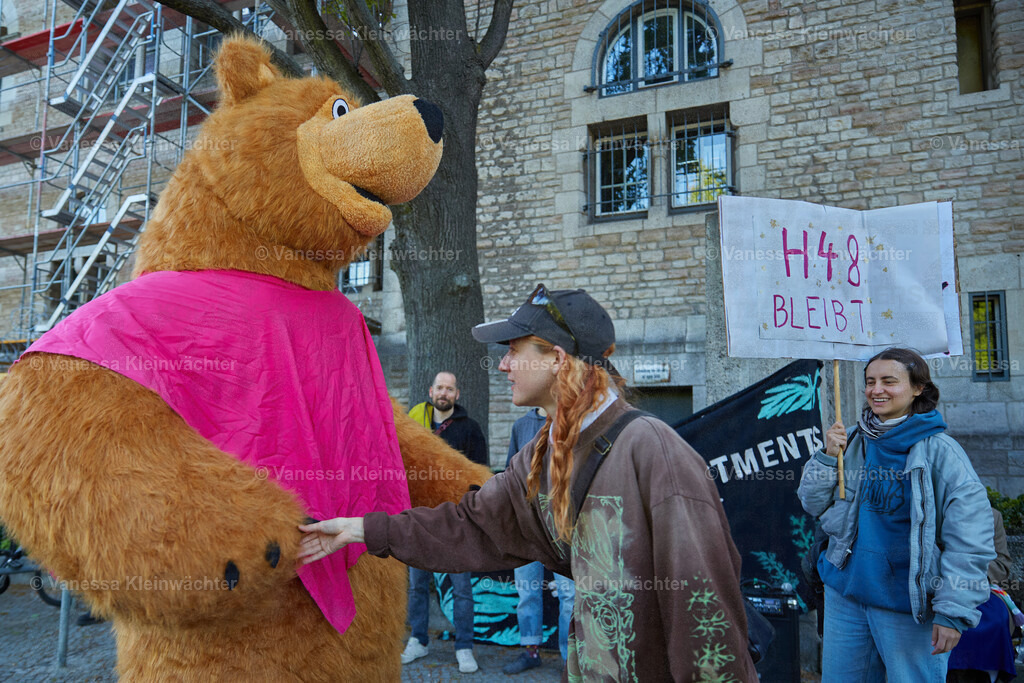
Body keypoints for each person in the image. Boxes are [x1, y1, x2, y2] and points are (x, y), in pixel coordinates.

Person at [299, 284, 757, 680]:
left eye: (514, 351)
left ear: (557, 359)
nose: (503, 366)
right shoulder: (539, 456)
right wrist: (363, 529)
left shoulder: (653, 450)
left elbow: (706, 619)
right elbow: (470, 525)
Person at [798, 347, 995, 682]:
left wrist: (953, 611)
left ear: (918, 388)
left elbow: (970, 540)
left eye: (889, 381)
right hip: (845, 595)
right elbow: (811, 502)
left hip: (908, 605)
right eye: (870, 381)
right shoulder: (854, 441)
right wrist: (828, 457)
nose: (877, 389)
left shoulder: (942, 453)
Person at [403, 371, 488, 673]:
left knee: (462, 588)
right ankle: (418, 639)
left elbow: (480, 477)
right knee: (417, 585)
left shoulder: (470, 429)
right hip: (420, 520)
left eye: (449, 388)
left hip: (457, 523)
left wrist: (471, 517)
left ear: (457, 394)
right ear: (431, 390)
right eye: (440, 387)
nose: (444, 393)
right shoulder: (415, 427)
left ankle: (464, 646)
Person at [501, 407, 576, 674]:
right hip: (526, 525)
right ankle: (531, 651)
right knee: (527, 592)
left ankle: (571, 661)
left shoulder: (570, 421)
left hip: (562, 526)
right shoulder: (521, 425)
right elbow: (509, 473)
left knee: (569, 595)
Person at [946, 507, 1019, 682]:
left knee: (995, 620)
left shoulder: (993, 516)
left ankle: (986, 676)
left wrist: (972, 573)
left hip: (982, 587)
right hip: (942, 586)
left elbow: (1002, 563)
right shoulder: (935, 513)